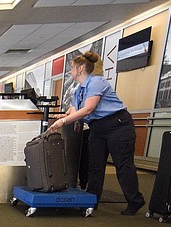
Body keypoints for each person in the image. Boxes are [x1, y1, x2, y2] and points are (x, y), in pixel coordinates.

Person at [49, 51, 145, 215]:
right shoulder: (78, 90)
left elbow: (89, 109)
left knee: (123, 165)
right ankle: (92, 201)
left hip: (118, 125)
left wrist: (64, 121)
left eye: (72, 68)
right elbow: (74, 110)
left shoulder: (96, 82)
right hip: (98, 128)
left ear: (80, 69)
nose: (70, 72)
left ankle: (135, 201)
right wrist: (64, 116)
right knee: (95, 166)